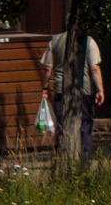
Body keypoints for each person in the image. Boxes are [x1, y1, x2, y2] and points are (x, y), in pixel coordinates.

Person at [41, 28, 105, 158]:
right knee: (85, 123)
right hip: (83, 89)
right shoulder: (88, 41)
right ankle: (85, 156)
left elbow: (48, 67)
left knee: (62, 122)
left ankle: (64, 155)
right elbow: (94, 68)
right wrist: (100, 90)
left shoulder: (54, 41)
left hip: (60, 88)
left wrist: (45, 87)